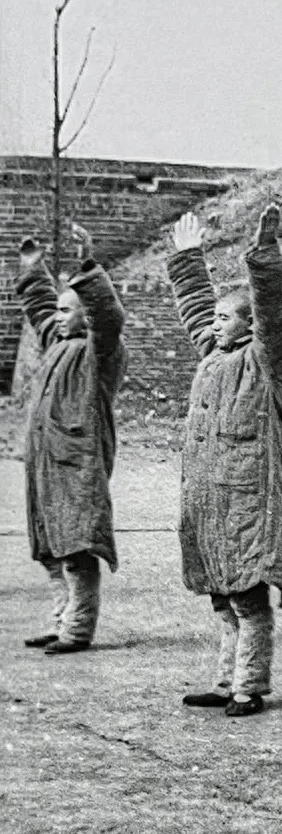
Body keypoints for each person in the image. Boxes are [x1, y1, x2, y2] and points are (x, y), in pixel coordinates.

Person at [169, 207, 282, 718]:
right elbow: (196, 310)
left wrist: (265, 259)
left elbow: (276, 315)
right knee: (222, 597)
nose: (214, 323)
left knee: (248, 599)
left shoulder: (270, 361)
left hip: (246, 502)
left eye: (225, 318)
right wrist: (187, 258)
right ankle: (226, 682)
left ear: (249, 326)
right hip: (210, 504)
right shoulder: (216, 354)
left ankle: (249, 686)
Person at [15, 226, 125, 654]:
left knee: (76, 546)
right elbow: (40, 307)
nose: (58, 317)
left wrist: (88, 273)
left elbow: (108, 317)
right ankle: (61, 621)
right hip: (46, 465)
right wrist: (33, 268)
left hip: (75, 465)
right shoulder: (57, 341)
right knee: (50, 548)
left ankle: (78, 630)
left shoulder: (101, 352)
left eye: (68, 310)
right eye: (59, 311)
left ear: (86, 315)